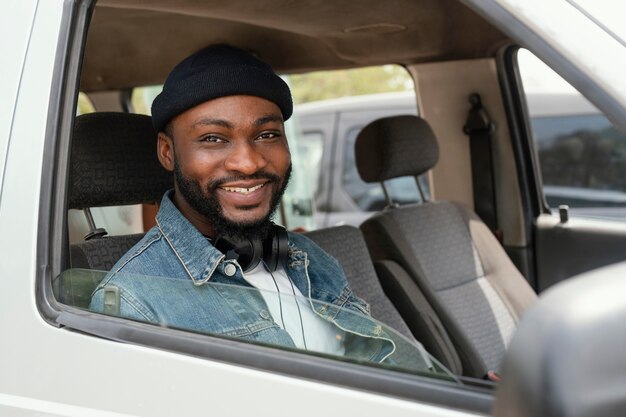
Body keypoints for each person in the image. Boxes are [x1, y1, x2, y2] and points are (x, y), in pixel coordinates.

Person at [89, 45, 429, 368]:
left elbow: (388, 372)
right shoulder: (133, 301)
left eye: (267, 135)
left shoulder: (310, 257)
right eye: (213, 139)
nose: (248, 163)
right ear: (167, 152)